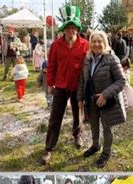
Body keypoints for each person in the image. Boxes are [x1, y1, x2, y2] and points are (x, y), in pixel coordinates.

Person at [42, 5, 89, 164]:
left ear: (77, 29)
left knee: (78, 114)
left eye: (73, 28)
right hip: (60, 87)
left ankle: (77, 135)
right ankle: (49, 148)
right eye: (68, 28)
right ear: (64, 29)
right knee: (55, 118)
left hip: (77, 86)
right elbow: (52, 66)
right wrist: (50, 83)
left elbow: (88, 66)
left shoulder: (84, 45)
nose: (71, 31)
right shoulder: (56, 45)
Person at [77, 30, 126, 168]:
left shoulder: (111, 58)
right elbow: (82, 80)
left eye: (100, 41)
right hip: (91, 100)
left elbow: (122, 80)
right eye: (94, 41)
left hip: (107, 101)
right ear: (90, 43)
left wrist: (105, 94)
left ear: (105, 43)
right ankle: (95, 145)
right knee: (93, 125)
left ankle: (106, 153)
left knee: (107, 128)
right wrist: (80, 98)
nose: (97, 44)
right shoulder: (87, 59)